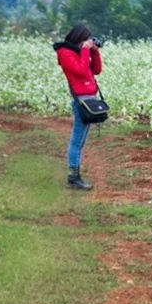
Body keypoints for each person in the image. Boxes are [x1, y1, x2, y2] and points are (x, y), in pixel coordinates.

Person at [53, 24, 102, 190]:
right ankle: (73, 178)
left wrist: (94, 51)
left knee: (81, 140)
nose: (88, 42)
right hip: (81, 100)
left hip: (90, 99)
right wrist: (86, 50)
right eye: (86, 39)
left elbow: (96, 70)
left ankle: (75, 177)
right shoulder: (65, 53)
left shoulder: (78, 52)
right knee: (77, 140)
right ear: (79, 38)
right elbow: (80, 72)